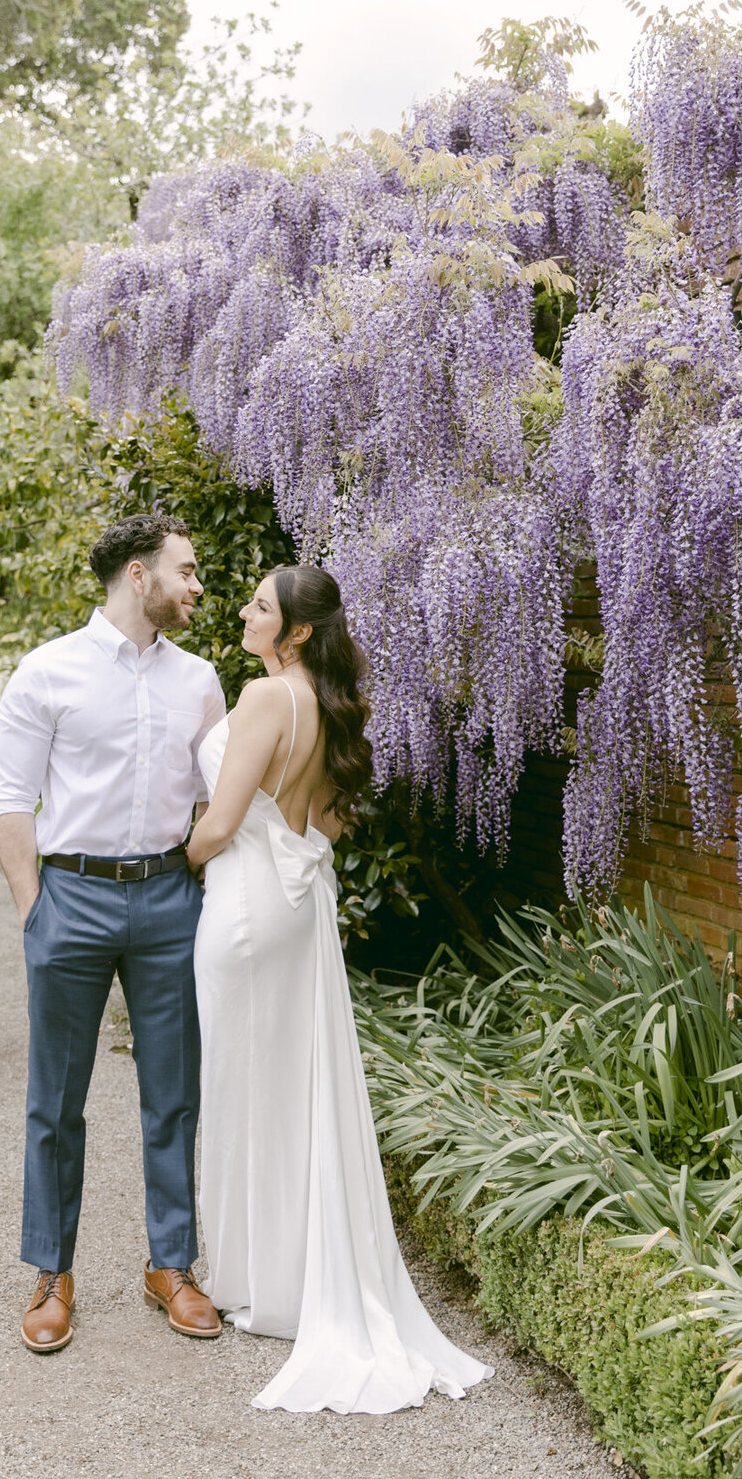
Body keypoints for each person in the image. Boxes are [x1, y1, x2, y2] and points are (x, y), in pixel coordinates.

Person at [187, 564, 488, 1413]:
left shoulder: (263, 699)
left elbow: (219, 820)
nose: (244, 613)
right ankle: (279, 1277)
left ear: (296, 633)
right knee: (289, 1091)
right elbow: (325, 822)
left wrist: (180, 861)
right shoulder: (329, 705)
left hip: (245, 905)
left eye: (259, 607)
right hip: (295, 905)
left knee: (241, 1090)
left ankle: (254, 1281)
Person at [0, 513, 227, 1354]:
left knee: (175, 1093)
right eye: (187, 570)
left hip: (169, 900)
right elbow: (12, 800)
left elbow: (217, 802)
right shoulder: (46, 672)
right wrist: (36, 912)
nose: (198, 586)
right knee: (55, 1102)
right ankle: (52, 1272)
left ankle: (173, 1263)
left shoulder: (200, 680)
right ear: (139, 575)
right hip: (73, 900)